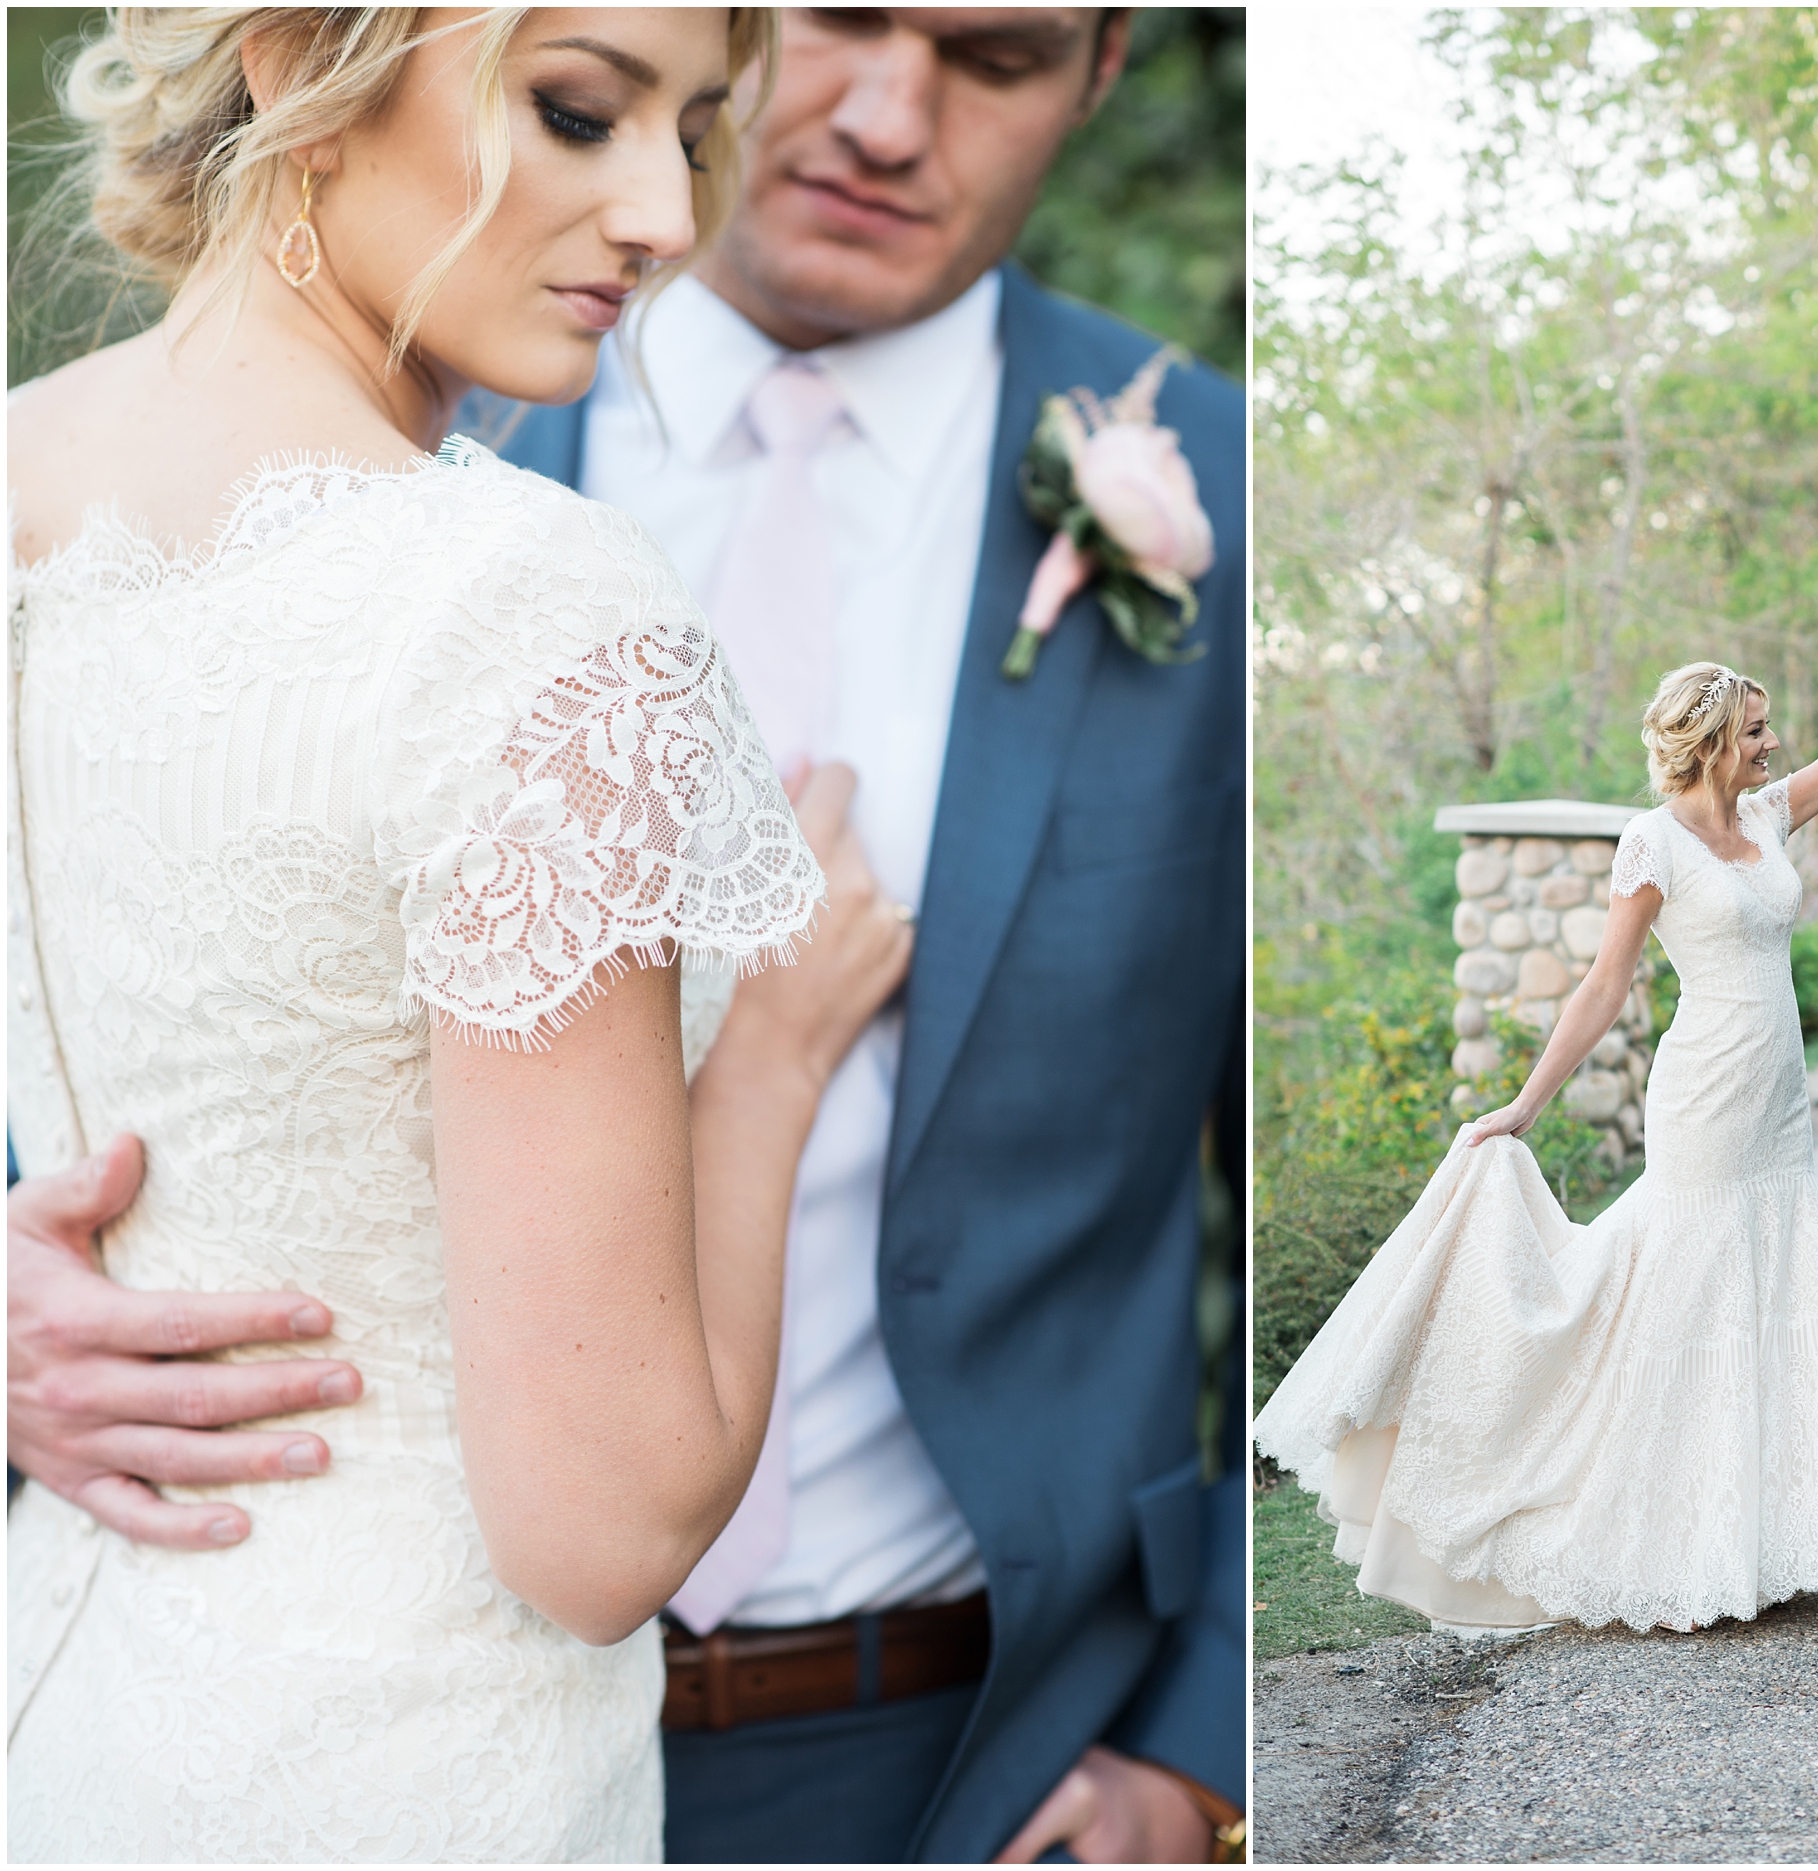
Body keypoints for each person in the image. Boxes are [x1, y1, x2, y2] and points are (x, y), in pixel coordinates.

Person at [9, 7, 1247, 1861]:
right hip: (451, 1738)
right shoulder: (510, 541)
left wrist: (1209, 1743)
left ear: (1102, 73)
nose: (883, 117)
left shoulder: (1225, 478)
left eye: (992, 55)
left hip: (972, 1749)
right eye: (831, 21)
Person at [1254, 565, 1818, 1634]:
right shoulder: (1651, 842)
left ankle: (1763, 1537)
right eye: (1754, 729)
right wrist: (1524, 1103)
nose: (1770, 743)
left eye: (1766, 730)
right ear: (1709, 738)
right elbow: (1605, 984)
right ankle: (1658, 1535)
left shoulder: (1769, 815)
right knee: (1693, 1295)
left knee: (1768, 1286)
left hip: (1779, 1105)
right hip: (1704, 1098)